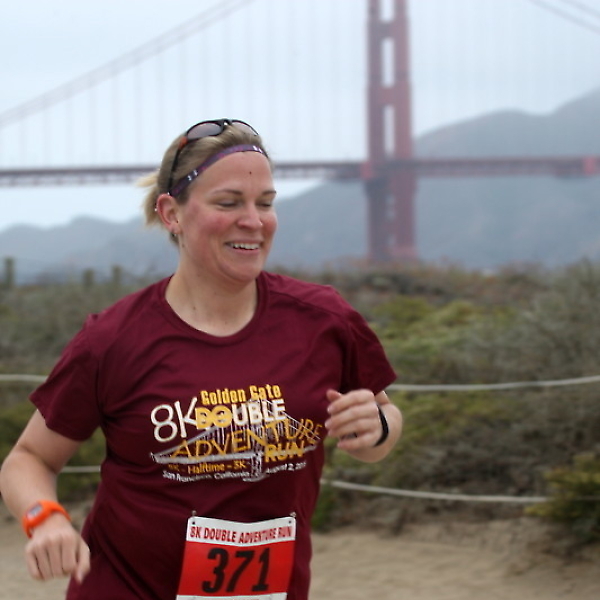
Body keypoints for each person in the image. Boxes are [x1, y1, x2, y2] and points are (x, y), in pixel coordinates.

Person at [0, 118, 402, 600]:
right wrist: (45, 519)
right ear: (171, 213)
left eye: (265, 203)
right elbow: (29, 459)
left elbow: (383, 421)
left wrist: (377, 428)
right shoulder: (112, 340)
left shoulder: (325, 320)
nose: (253, 220)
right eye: (228, 203)